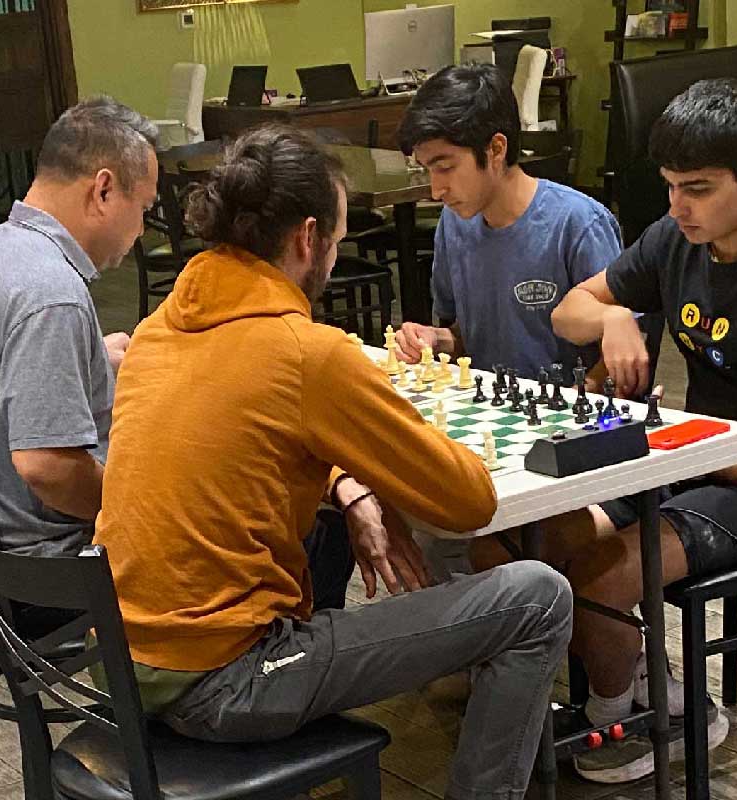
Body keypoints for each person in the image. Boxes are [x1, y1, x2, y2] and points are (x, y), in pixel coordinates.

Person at [94, 124, 574, 800]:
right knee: (538, 596)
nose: (333, 258)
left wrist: (349, 486)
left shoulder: (156, 331)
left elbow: (245, 445)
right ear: (306, 238)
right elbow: (468, 503)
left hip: (117, 666)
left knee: (320, 543)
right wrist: (377, 455)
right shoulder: (305, 351)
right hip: (224, 682)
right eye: (339, 243)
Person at [550, 78, 737, 783]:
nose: (677, 206)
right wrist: (615, 317)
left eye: (697, 188)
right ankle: (649, 691)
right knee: (546, 529)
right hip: (694, 459)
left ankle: (634, 717)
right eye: (667, 186)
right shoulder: (677, 239)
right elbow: (569, 311)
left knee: (603, 568)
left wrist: (677, 448)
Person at [0, 95, 155, 558]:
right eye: (144, 208)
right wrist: (138, 513)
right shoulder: (52, 293)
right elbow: (45, 466)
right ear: (104, 191)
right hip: (50, 566)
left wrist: (91, 357)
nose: (143, 230)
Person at [394, 64, 622, 381]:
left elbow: (625, 348)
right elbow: (463, 337)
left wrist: (578, 403)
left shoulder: (577, 224)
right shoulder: (455, 221)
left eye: (444, 167)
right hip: (491, 410)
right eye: (426, 170)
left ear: (496, 149)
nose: (435, 191)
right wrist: (435, 340)